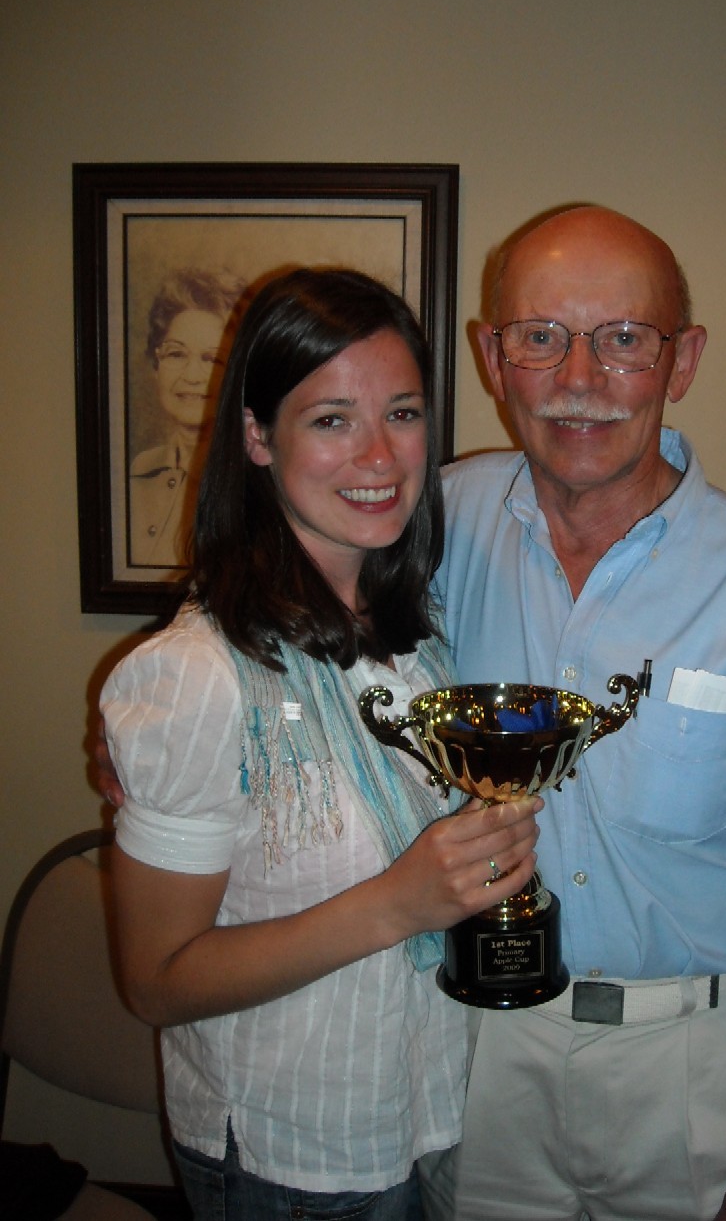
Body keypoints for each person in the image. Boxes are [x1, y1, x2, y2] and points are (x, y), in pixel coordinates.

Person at [428, 206, 726, 1221]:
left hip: (699, 1077)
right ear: (492, 355)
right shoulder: (433, 528)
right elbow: (279, 582)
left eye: (622, 339)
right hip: (478, 1059)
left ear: (681, 360)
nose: (577, 378)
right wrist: (176, 732)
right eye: (540, 336)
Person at [101, 268, 542, 1220]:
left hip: (429, 1115)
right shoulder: (196, 674)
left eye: (404, 412)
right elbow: (154, 981)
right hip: (292, 1154)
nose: (380, 454)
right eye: (332, 419)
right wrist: (397, 903)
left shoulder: (422, 642)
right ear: (258, 437)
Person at [129, 266, 246, 567]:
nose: (192, 376)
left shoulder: (255, 487)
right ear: (155, 365)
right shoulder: (138, 474)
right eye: (176, 354)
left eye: (211, 359)